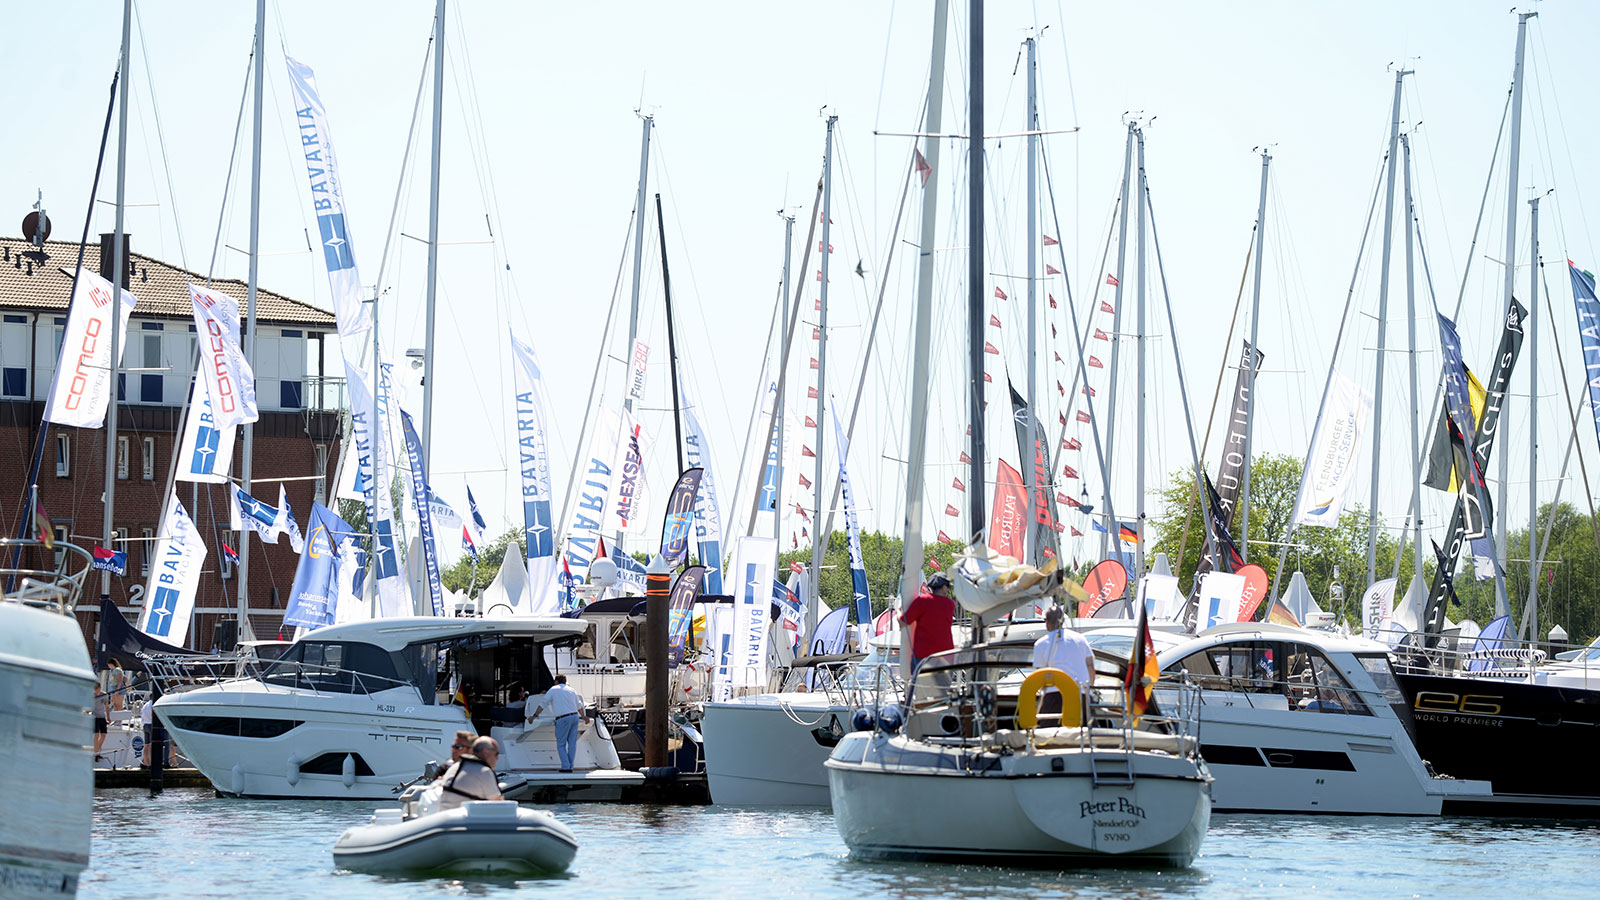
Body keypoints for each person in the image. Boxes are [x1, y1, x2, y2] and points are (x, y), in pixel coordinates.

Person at [1032, 605, 1095, 721]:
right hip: (1081, 694)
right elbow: (1090, 666)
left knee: (1049, 733)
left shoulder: (1040, 644)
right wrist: (1089, 689)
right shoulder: (1080, 639)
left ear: (1047, 622)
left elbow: (1040, 675)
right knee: (1085, 732)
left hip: (1054, 694)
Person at [529, 674, 587, 772]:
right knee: (572, 743)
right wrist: (584, 717)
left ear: (556, 681)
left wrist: (534, 716)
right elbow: (579, 706)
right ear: (565, 681)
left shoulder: (553, 689)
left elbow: (543, 704)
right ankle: (570, 766)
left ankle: (566, 767)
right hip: (575, 717)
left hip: (563, 718)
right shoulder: (571, 690)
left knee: (561, 744)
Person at [902, 573, 957, 676]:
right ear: (944, 587)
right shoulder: (950, 604)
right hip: (946, 655)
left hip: (923, 656)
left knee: (920, 688)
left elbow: (903, 621)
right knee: (943, 689)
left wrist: (899, 612)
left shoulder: (922, 601)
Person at [436, 736, 503, 810]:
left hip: (444, 816)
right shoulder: (483, 771)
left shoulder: (456, 766)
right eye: (496, 754)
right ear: (485, 752)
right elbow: (498, 805)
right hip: (460, 819)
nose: (497, 758)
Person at [92, 686, 109, 759]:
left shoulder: (104, 695)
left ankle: (96, 750)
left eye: (98, 690)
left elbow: (107, 706)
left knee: (103, 735)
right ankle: (96, 753)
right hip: (95, 717)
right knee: (96, 735)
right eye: (96, 690)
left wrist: (108, 717)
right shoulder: (91, 696)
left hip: (102, 717)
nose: (97, 692)